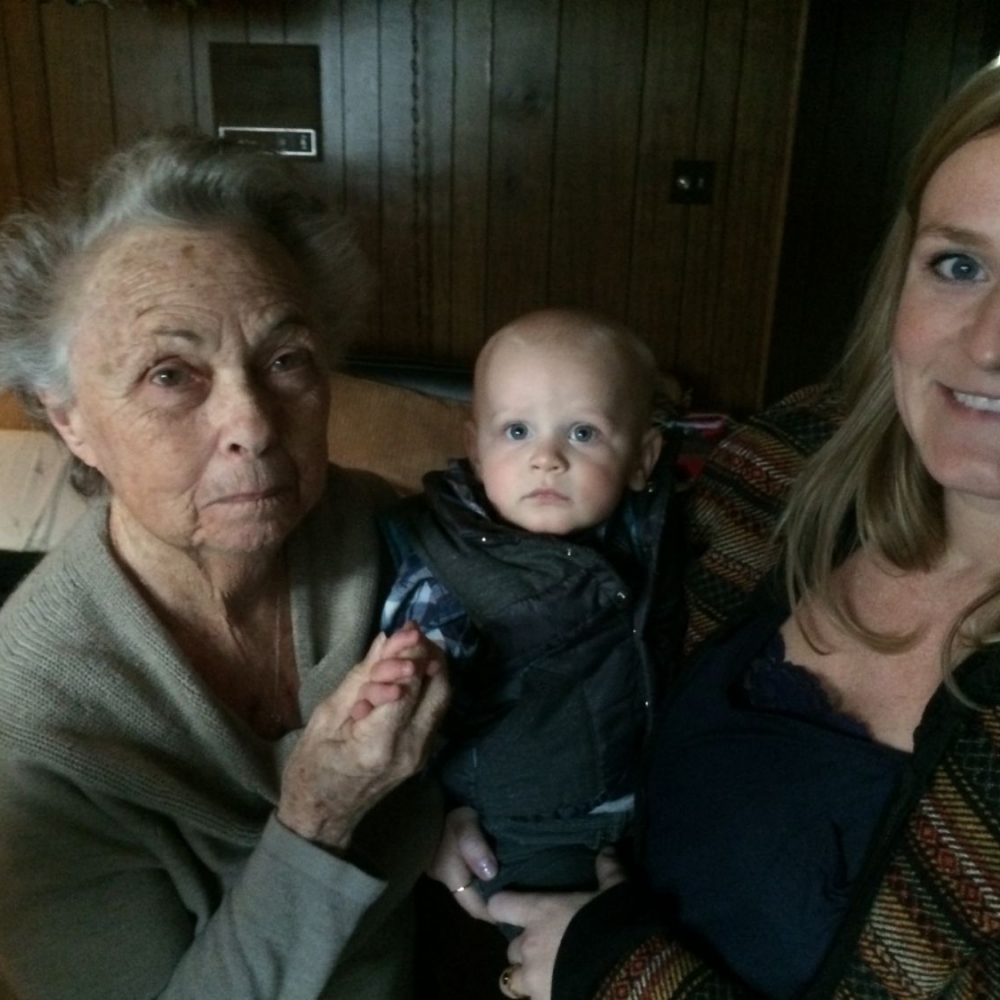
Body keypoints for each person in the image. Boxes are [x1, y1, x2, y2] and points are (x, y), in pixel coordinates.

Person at [433, 58, 1000, 1000]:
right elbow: (575, 664)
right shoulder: (779, 468)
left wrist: (610, 967)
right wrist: (457, 801)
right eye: (959, 265)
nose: (988, 343)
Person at [0, 132, 450, 1000]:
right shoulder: (29, 728)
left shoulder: (385, 534)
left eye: (285, 360)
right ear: (70, 420)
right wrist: (314, 821)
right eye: (171, 375)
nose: (254, 422)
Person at [379, 310, 685, 910]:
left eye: (583, 433)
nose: (547, 458)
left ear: (643, 458)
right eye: (517, 431)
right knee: (569, 942)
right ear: (475, 448)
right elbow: (405, 716)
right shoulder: (449, 568)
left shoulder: (655, 532)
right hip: (520, 828)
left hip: (651, 797)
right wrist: (422, 816)